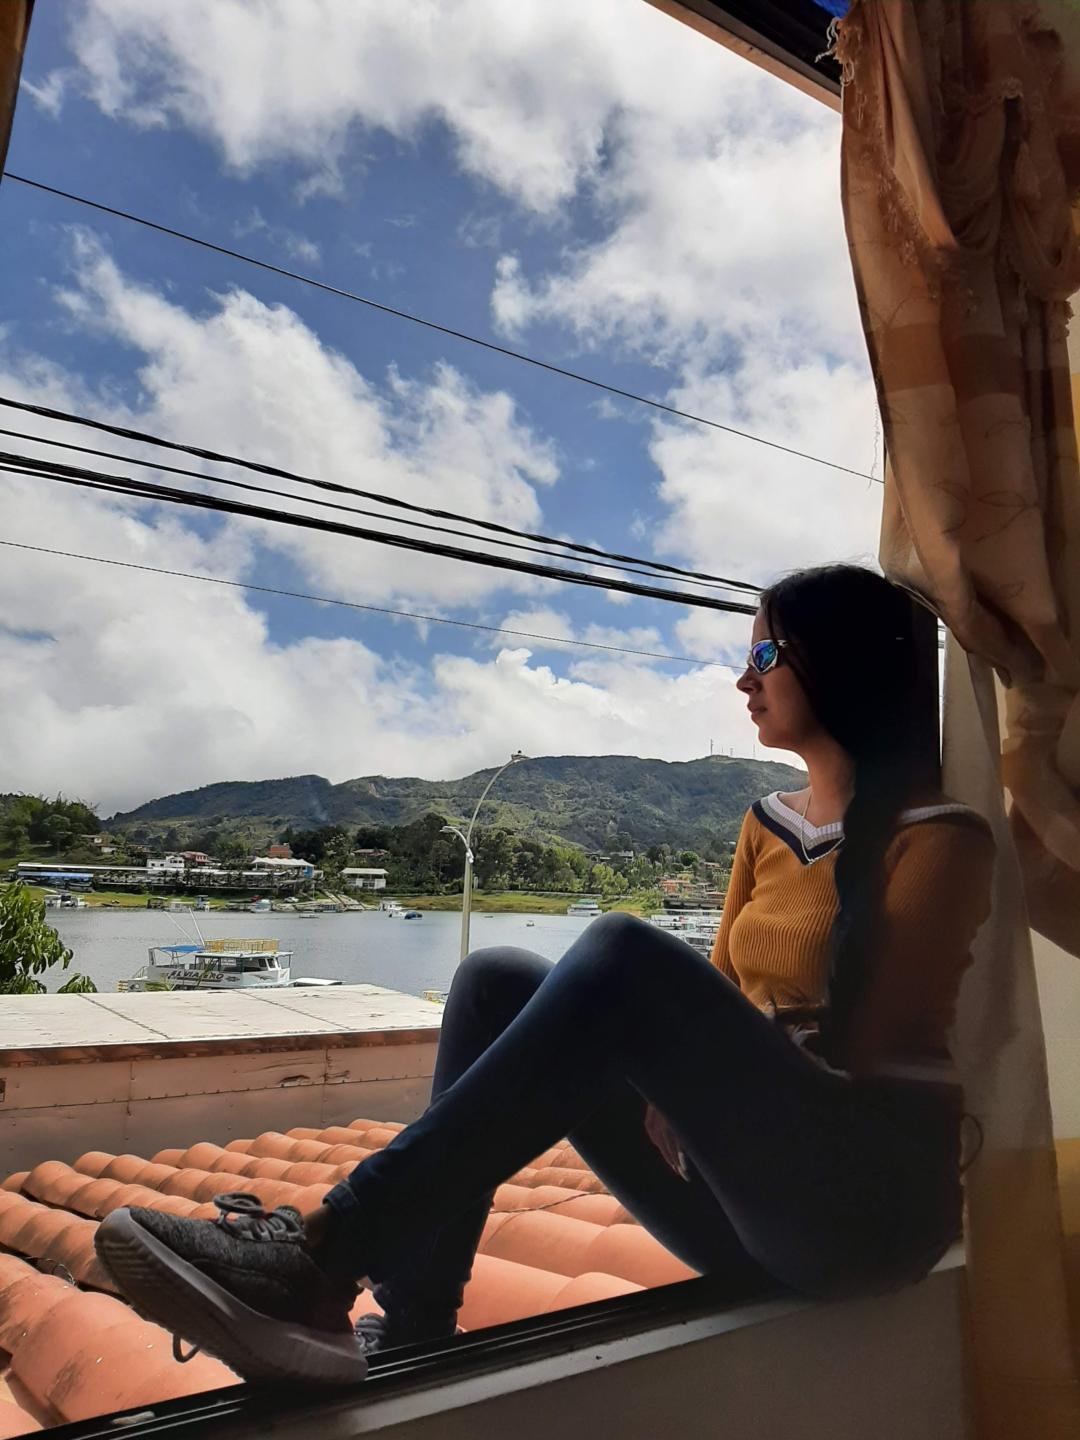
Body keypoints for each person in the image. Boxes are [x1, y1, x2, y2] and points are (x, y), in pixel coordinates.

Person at [95, 564, 994, 1386]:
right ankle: (414, 1322)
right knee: (493, 978)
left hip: (860, 1215)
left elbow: (869, 1060)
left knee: (623, 949)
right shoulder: (767, 824)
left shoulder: (940, 838)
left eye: (764, 654)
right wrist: (694, 1084)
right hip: (738, 1203)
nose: (743, 679)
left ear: (837, 663)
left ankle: (323, 1253)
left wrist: (701, 1079)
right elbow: (722, 991)